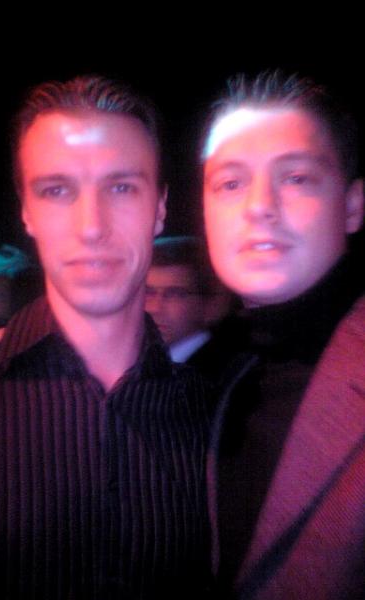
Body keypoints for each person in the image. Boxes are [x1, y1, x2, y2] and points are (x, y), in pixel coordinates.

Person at [0, 75, 214, 599]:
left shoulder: (215, 413)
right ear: (26, 212)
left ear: (160, 208)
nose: (91, 226)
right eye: (57, 190)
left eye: (121, 187)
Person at [201, 71, 365, 599]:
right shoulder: (208, 378)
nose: (259, 205)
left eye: (295, 177)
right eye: (231, 183)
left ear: (353, 205)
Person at [145, 235, 233, 375]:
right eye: (148, 292)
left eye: (175, 294)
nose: (154, 308)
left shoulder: (228, 374)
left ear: (210, 305)